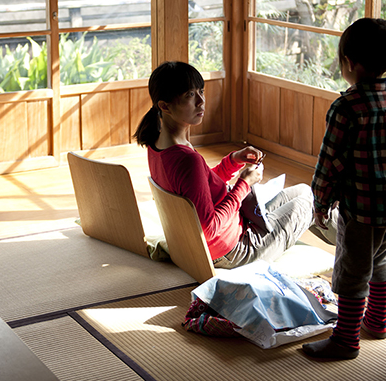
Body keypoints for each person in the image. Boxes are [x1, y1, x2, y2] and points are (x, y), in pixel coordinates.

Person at [133, 61, 334, 269]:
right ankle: (362, 245)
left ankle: (361, 241)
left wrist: (233, 161)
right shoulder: (186, 159)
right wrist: (244, 184)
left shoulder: (158, 146)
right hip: (232, 249)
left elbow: (199, 187)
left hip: (234, 225)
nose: (201, 101)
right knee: (310, 202)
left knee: (303, 190)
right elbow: (208, 229)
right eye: (190, 96)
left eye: (201, 91)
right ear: (165, 106)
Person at [302, 18, 386, 360]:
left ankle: (345, 340)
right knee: (382, 261)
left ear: (349, 64)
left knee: (351, 271)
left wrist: (320, 201)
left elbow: (330, 162)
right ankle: (378, 323)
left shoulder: (346, 108)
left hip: (360, 209)